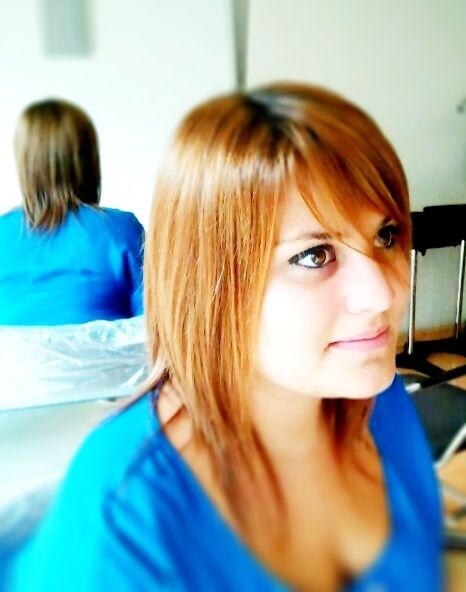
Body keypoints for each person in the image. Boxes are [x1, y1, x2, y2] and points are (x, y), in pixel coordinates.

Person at [2, 83, 442, 591]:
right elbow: (145, 323)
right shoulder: (125, 526)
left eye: (387, 235)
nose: (384, 293)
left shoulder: (377, 396)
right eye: (313, 255)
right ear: (210, 281)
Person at [0, 99, 144, 325]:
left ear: (25, 162)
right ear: (89, 158)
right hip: (105, 351)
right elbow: (157, 327)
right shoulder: (121, 231)